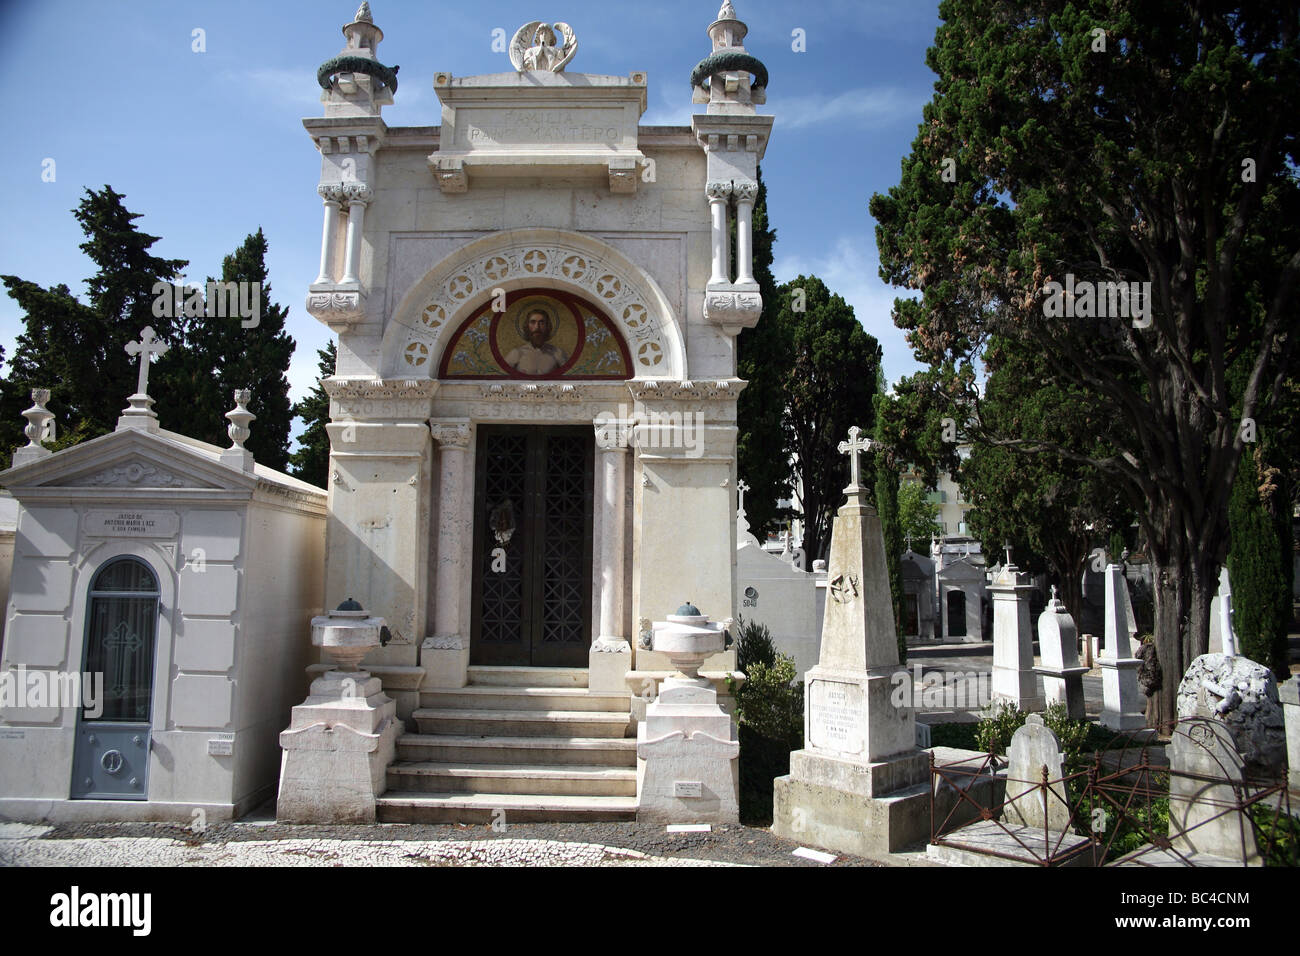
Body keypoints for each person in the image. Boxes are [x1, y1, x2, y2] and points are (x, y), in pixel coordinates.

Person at [505, 308, 568, 374]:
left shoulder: (558, 353)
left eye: (542, 322)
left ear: (547, 326)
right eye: (533, 322)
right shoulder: (516, 353)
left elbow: (568, 377)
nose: (537, 327)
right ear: (527, 326)